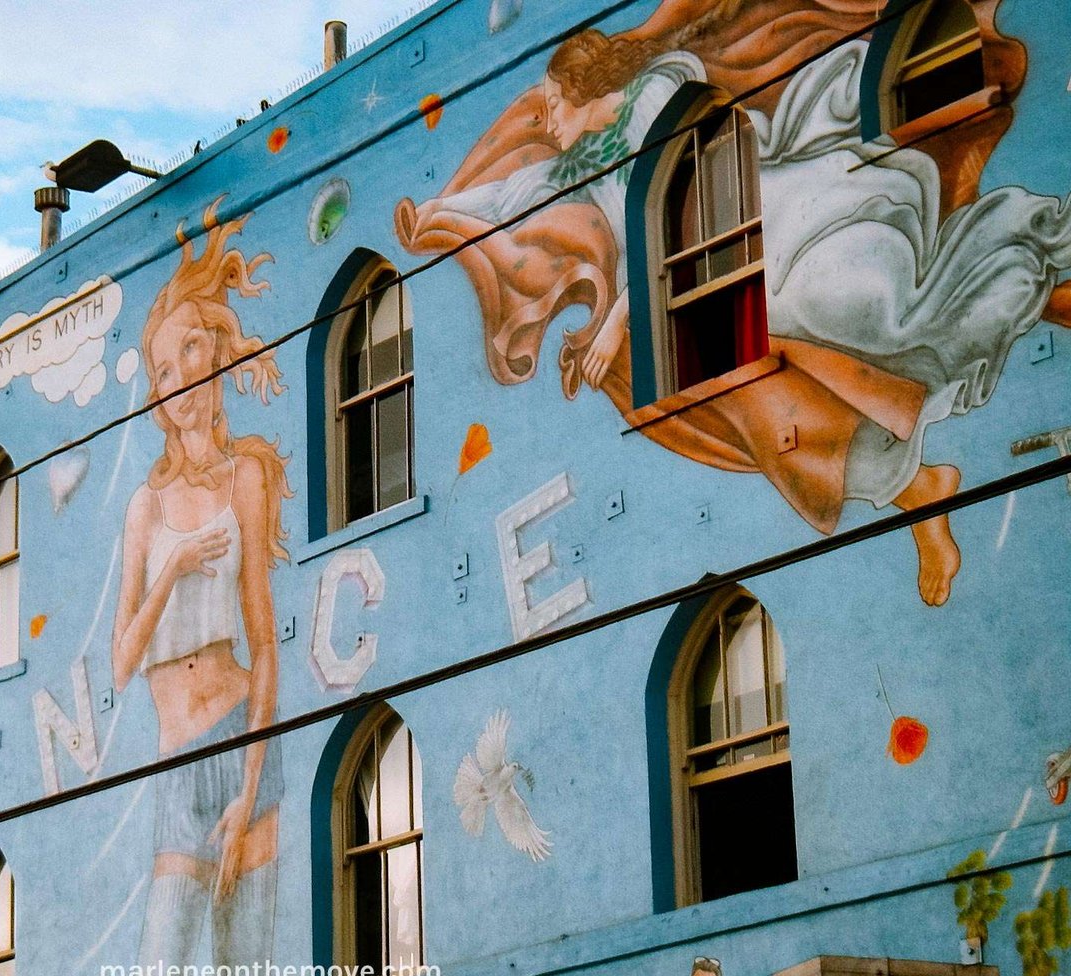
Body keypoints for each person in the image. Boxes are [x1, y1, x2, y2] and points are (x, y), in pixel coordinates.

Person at [397, 4, 1071, 607]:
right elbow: (517, 193)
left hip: (764, 233)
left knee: (876, 308)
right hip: (711, 299)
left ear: (588, 89)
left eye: (551, 105)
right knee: (791, 431)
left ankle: (1016, 289)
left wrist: (618, 321)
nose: (544, 121)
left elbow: (683, 204)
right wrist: (435, 213)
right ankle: (923, 490)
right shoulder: (581, 168)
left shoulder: (660, 94)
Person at [112, 198, 292, 976]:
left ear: (219, 356)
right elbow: (121, 662)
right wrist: (175, 566)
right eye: (163, 373)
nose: (180, 383)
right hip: (176, 757)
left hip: (245, 746)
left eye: (191, 357)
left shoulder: (246, 480)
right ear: (154, 394)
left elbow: (265, 637)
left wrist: (252, 786)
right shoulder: (144, 509)